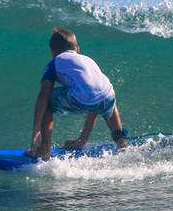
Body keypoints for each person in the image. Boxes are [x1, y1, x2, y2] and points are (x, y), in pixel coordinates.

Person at [26, 27, 129, 160]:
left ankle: (45, 149)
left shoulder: (54, 63)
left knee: (48, 100)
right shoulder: (88, 60)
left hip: (85, 96)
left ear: (53, 52)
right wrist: (82, 140)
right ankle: (123, 145)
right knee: (106, 101)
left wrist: (36, 131)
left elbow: (43, 95)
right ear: (77, 49)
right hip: (107, 94)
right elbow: (94, 98)